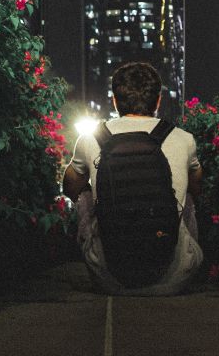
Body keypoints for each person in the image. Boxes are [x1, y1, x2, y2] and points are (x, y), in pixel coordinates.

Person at [63, 62, 203, 295]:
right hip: (175, 279)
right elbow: (198, 189)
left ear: (115, 100)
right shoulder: (184, 139)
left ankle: (102, 255)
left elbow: (69, 188)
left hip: (108, 278)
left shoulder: (91, 139)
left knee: (85, 193)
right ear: (158, 101)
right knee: (187, 194)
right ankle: (179, 256)